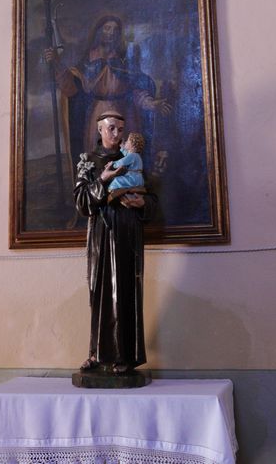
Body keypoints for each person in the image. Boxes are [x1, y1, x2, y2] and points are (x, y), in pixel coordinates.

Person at [74, 111, 157, 374]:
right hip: (102, 234)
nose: (117, 134)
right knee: (101, 294)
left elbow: (152, 197)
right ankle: (98, 354)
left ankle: (126, 357)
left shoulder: (132, 158)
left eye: (121, 129)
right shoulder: (89, 161)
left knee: (127, 292)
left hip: (129, 234)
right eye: (111, 128)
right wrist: (103, 179)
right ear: (100, 129)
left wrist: (142, 203)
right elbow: (82, 202)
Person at [45, 15, 170, 177]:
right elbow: (72, 89)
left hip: (124, 116)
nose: (111, 33)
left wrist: (151, 103)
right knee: (100, 162)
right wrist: (56, 63)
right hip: (97, 116)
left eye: (115, 30)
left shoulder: (123, 61)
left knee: (124, 163)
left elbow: (135, 90)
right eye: (107, 28)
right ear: (99, 31)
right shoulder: (88, 61)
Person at [108, 132, 146, 200]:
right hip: (138, 179)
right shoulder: (136, 155)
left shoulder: (133, 155)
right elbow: (127, 155)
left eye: (128, 141)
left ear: (133, 146)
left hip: (133, 179)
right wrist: (122, 148)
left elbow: (122, 162)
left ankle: (113, 192)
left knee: (117, 180)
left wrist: (113, 164)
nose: (125, 142)